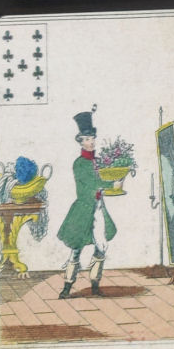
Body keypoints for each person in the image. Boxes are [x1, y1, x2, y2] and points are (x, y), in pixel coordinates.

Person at [56, 108, 116, 299]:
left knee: (101, 248)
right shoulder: (79, 163)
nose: (91, 142)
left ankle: (95, 285)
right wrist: (108, 184)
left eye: (93, 139)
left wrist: (115, 180)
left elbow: (102, 180)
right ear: (80, 141)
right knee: (76, 249)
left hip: (98, 208)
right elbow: (91, 184)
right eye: (87, 139)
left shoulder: (99, 162)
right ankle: (67, 287)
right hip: (83, 209)